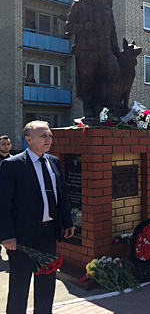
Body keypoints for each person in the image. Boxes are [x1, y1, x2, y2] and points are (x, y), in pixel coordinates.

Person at [0, 121, 75, 314]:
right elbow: (3, 204)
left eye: (49, 135)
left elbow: (61, 195)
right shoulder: (12, 165)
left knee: (46, 284)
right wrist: (7, 235)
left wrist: (67, 222)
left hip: (48, 234)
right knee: (19, 286)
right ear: (28, 140)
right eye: (43, 136)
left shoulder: (54, 161)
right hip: (22, 238)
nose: (49, 139)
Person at [65, 0, 122, 119]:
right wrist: (85, 27)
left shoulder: (107, 9)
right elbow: (68, 27)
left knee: (115, 71)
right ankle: (89, 112)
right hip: (86, 51)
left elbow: (113, 33)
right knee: (88, 82)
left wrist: (117, 53)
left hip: (105, 50)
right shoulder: (80, 4)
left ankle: (112, 104)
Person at [0, 135, 13, 259]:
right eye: (3, 144)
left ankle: (11, 252)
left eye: (8, 144)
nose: (6, 146)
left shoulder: (15, 161)